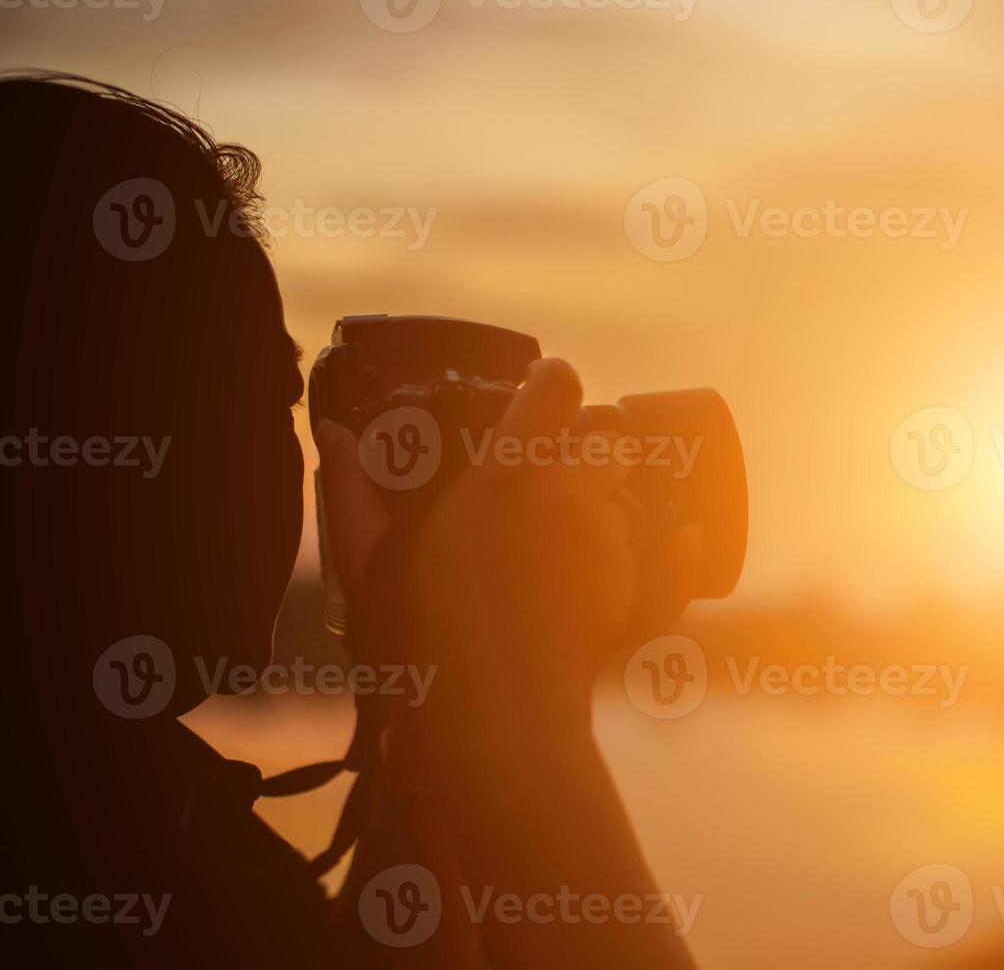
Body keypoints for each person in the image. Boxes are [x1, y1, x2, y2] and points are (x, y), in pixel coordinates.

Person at [0, 72, 703, 968]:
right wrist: (530, 733)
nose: (303, 462)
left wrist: (430, 708)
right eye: (265, 399)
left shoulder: (127, 811)